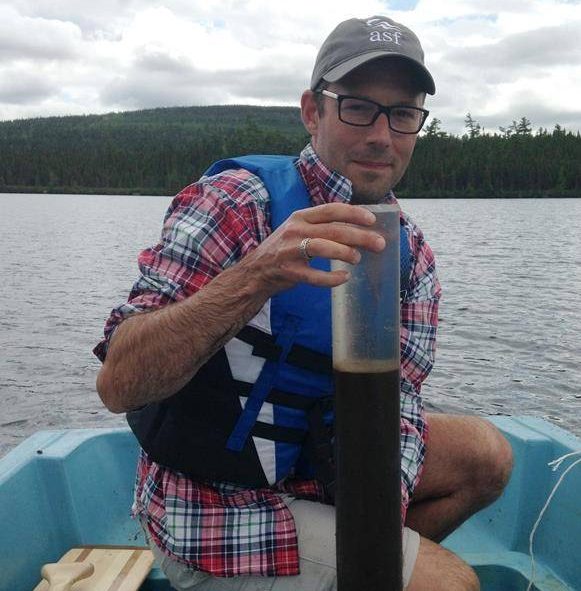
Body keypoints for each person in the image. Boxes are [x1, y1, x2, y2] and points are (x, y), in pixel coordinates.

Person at [95, 15, 513, 591]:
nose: (381, 135)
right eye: (358, 107)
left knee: (487, 458)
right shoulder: (235, 205)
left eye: (403, 113)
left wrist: (376, 527)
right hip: (218, 508)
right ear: (312, 111)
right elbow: (120, 384)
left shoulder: (408, 251)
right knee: (454, 584)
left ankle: (354, 569)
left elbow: (402, 408)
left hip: (316, 470)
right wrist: (255, 276)